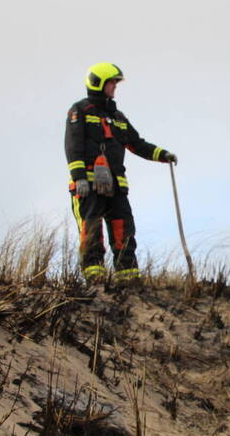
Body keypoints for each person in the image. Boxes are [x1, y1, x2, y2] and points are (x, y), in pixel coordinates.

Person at [64, 62, 177, 284]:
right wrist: (79, 178)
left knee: (123, 229)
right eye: (112, 82)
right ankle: (95, 278)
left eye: (116, 82)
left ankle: (128, 278)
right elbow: (72, 145)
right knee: (92, 229)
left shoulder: (118, 117)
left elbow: (136, 144)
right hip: (88, 184)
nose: (115, 87)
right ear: (98, 83)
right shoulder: (79, 111)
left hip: (116, 186)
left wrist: (162, 155)